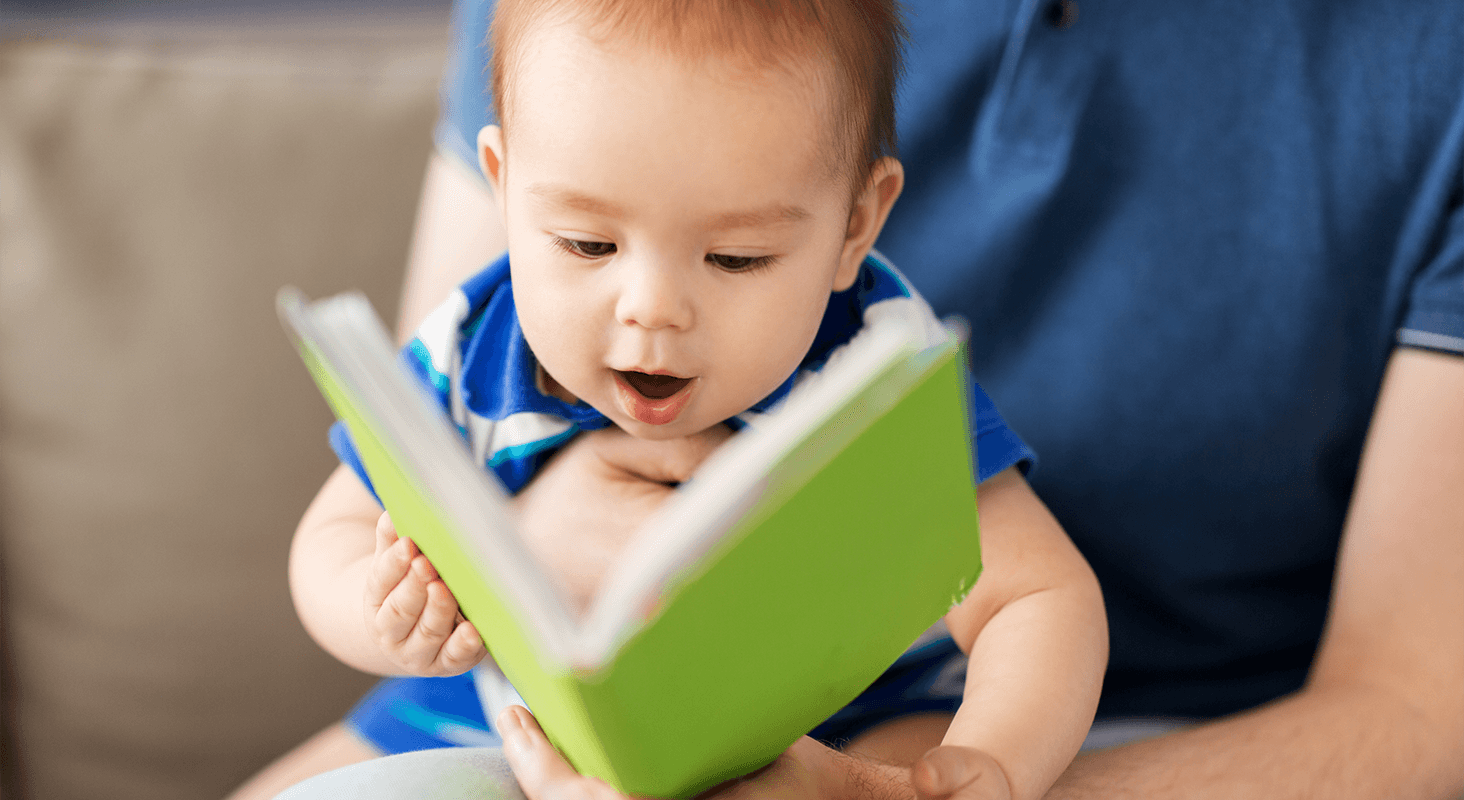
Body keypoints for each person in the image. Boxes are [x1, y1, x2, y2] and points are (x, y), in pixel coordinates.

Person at [234, 0, 1464, 796]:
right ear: (507, 187)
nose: (650, 310)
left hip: (838, 739)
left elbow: (1037, 592)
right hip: (491, 713)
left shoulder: (868, 356)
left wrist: (991, 759)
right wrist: (383, 599)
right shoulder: (481, 327)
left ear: (856, 227)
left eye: (736, 260)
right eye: (588, 244)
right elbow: (345, 520)